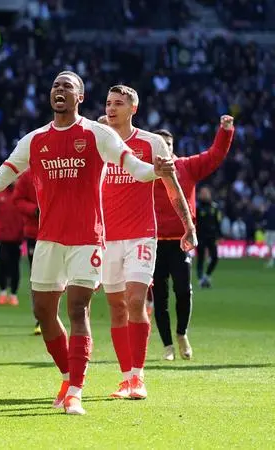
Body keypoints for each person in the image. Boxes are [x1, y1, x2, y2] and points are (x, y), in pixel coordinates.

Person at [0, 71, 174, 415]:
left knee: (78, 309)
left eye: (68, 86)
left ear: (80, 97)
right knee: (43, 312)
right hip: (48, 239)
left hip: (87, 238)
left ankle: (76, 390)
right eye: (55, 85)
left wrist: (157, 169)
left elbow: (137, 169)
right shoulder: (34, 140)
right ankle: (67, 376)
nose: (59, 89)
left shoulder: (98, 134)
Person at [98, 85, 196, 401]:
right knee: (116, 307)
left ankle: (138, 378)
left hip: (141, 234)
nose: (111, 108)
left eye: (119, 103)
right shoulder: (98, 140)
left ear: (133, 109)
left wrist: (189, 226)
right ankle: (125, 377)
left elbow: (172, 186)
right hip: (106, 238)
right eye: (108, 103)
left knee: (136, 300)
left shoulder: (152, 143)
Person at [151, 116, 234, 361]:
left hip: (181, 241)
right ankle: (167, 346)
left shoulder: (187, 166)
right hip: (152, 242)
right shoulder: (143, 171)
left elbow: (215, 155)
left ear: (173, 147)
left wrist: (225, 131)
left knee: (183, 291)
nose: (164, 148)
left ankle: (181, 334)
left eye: (168, 144)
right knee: (160, 296)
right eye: (159, 144)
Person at [13, 171, 42, 335]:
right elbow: (17, 199)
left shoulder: (63, 169)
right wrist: (35, 210)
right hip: (35, 234)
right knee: (37, 277)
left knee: (59, 278)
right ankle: (41, 318)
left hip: (60, 232)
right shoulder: (28, 175)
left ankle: (50, 316)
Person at [0, 181, 24, 308]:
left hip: (17, 237)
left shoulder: (20, 193)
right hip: (1, 236)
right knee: (2, 263)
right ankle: (3, 292)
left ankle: (13, 294)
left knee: (15, 266)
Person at [195, 186, 221, 288]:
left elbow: (217, 222)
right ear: (199, 195)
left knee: (215, 257)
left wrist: (219, 235)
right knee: (200, 258)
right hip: (200, 236)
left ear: (210, 194)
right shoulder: (197, 207)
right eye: (203, 193)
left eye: (206, 193)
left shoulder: (215, 207)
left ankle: (207, 276)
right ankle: (201, 279)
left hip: (212, 237)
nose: (205, 195)